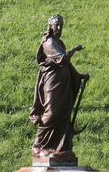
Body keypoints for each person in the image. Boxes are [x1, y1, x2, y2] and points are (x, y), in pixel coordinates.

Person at [29, 15, 89, 163]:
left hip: (63, 81)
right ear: (51, 25)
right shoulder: (48, 41)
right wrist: (74, 50)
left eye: (61, 25)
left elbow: (67, 65)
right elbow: (62, 59)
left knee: (63, 111)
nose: (60, 28)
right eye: (57, 25)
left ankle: (59, 146)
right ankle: (38, 143)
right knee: (52, 111)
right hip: (52, 80)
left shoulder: (59, 42)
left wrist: (78, 76)